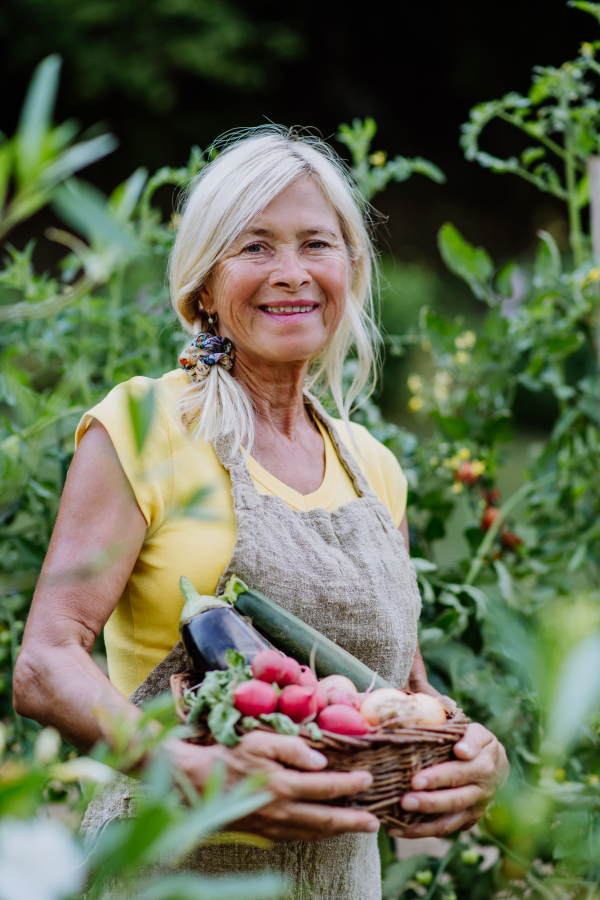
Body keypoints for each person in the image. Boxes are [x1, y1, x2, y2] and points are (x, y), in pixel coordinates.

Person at [13, 128, 508, 899]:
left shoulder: (372, 466)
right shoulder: (144, 427)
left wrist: (469, 754)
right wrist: (182, 765)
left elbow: (395, 695)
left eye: (317, 243)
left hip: (343, 881)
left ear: (351, 268)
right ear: (204, 285)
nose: (292, 274)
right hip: (166, 871)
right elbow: (46, 663)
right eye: (254, 247)